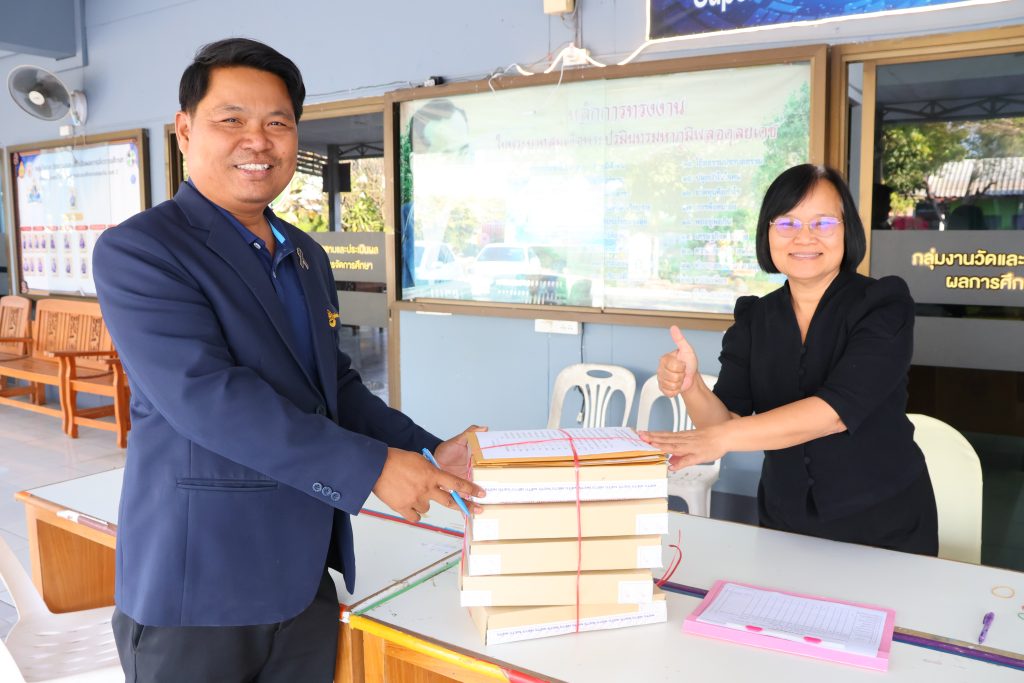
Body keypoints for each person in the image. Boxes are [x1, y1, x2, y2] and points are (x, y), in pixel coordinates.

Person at [93, 38, 484, 683]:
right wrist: (373, 468)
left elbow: (334, 386)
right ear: (185, 131)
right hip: (199, 583)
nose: (258, 140)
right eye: (232, 120)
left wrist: (428, 449)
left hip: (303, 580)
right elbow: (206, 398)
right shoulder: (142, 250)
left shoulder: (304, 253)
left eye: (277, 123)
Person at [641, 164, 938, 556]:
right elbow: (721, 424)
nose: (804, 237)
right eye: (787, 223)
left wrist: (719, 439)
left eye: (823, 223)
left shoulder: (882, 304)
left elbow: (835, 412)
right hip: (785, 519)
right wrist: (692, 385)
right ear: (767, 233)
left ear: (847, 230)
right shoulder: (754, 318)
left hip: (884, 523)